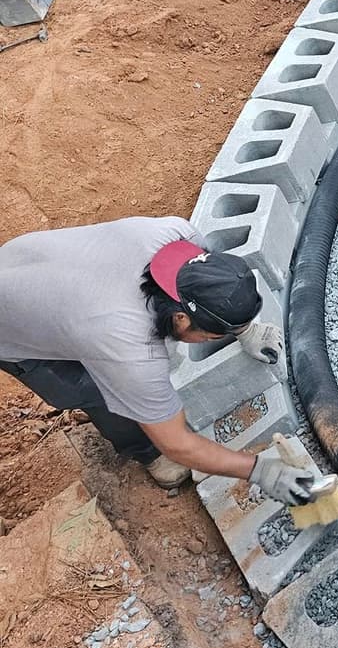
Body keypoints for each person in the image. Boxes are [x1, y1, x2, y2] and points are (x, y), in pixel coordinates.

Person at [0, 216, 316, 506]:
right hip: (12, 322)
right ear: (180, 319)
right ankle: (145, 452)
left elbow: (216, 286)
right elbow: (177, 443)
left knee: (106, 361)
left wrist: (247, 329)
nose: (214, 339)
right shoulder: (129, 349)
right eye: (211, 335)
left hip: (25, 258)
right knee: (92, 391)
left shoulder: (181, 237)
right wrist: (261, 471)